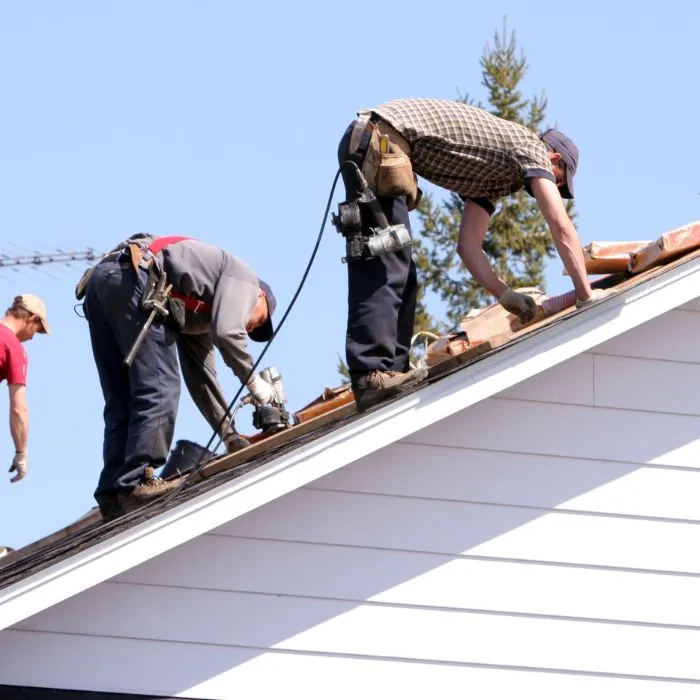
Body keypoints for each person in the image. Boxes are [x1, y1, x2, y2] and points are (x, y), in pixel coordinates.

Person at [337, 97, 604, 411]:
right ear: (553, 158)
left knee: (402, 270)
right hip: (379, 139)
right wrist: (586, 295)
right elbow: (560, 226)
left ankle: (392, 373)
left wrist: (504, 294)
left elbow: (468, 246)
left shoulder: (493, 178)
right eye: (558, 180)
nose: (553, 188)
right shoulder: (531, 149)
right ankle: (372, 376)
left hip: (382, 142)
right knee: (386, 260)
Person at [81, 234, 277, 521]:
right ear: (260, 295)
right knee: (161, 388)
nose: (249, 327)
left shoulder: (198, 309)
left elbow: (202, 377)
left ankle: (113, 494)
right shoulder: (244, 279)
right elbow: (228, 334)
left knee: (123, 398)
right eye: (258, 319)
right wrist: (254, 382)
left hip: (105, 281)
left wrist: (230, 436)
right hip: (135, 276)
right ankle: (136, 482)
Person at [0, 295, 50, 484]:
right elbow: (18, 409)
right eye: (37, 330)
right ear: (31, 319)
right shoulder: (13, 348)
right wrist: (21, 453)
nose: (32, 337)